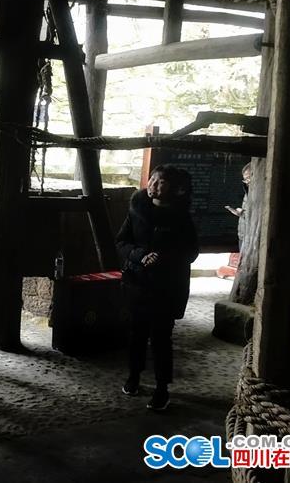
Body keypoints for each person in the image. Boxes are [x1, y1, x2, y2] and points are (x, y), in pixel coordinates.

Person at [117, 165, 199, 411]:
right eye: (152, 179)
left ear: (173, 187)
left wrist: (164, 258)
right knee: (136, 335)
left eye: (161, 181)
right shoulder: (137, 209)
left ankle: (162, 388)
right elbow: (121, 242)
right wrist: (140, 255)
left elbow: (191, 252)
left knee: (161, 338)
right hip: (137, 283)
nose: (153, 184)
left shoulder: (181, 218)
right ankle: (133, 376)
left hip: (166, 288)